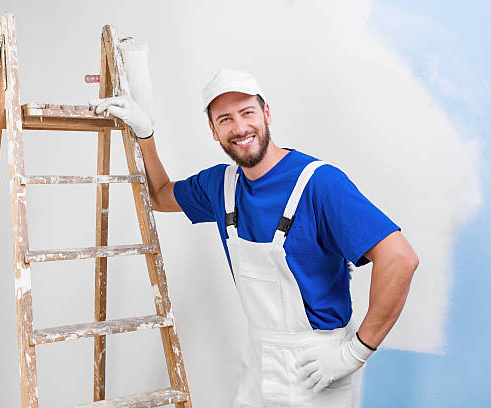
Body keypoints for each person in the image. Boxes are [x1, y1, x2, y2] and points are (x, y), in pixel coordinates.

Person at [90, 68, 418, 407]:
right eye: (226, 119)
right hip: (259, 363)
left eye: (248, 112)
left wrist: (356, 352)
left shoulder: (320, 184)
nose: (240, 127)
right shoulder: (221, 185)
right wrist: (145, 133)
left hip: (317, 367)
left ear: (267, 114)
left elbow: (400, 258)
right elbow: (158, 196)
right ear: (214, 131)